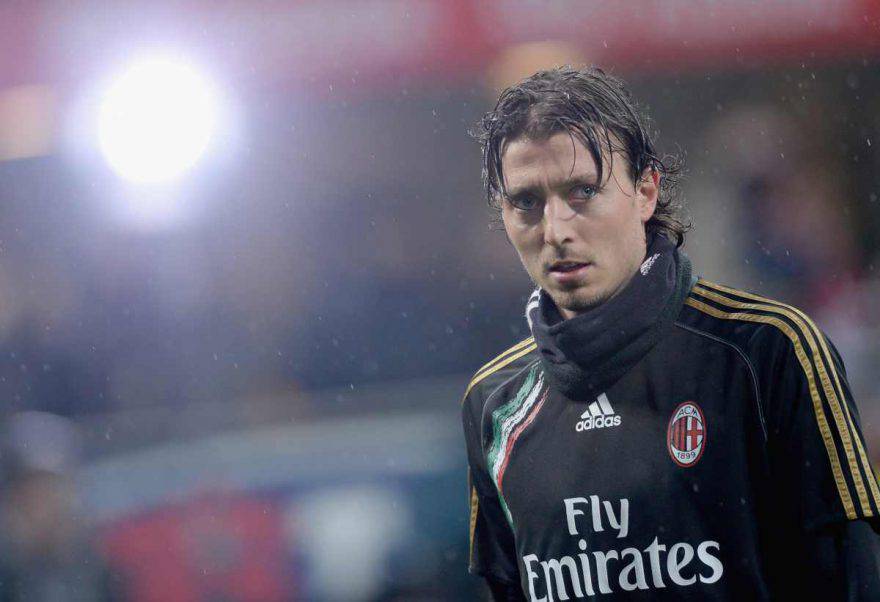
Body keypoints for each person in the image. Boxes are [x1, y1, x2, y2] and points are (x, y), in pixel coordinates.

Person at [461, 66, 880, 601]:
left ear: (646, 191)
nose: (556, 229)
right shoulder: (492, 404)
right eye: (526, 202)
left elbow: (850, 581)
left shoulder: (767, 351)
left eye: (583, 190)